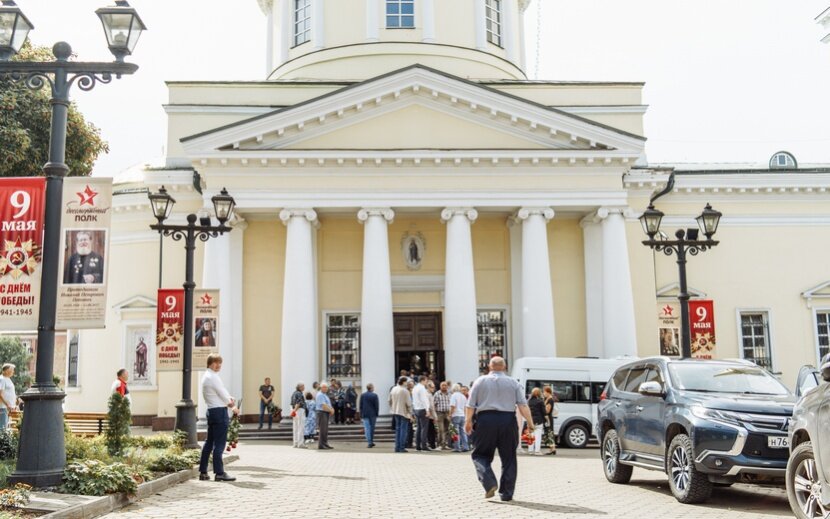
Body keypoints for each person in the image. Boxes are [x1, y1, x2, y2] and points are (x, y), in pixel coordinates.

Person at [465, 356, 535, 502]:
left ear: (489, 367)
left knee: (480, 455)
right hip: (507, 420)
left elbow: (470, 405)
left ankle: (489, 482)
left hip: (485, 420)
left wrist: (468, 421)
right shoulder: (513, 383)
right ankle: (507, 493)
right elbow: (522, 405)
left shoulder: (480, 381)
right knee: (509, 458)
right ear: (504, 367)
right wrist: (530, 422)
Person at [199, 354, 238, 482]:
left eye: (220, 363)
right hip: (219, 412)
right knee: (219, 444)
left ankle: (203, 472)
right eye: (215, 363)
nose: (218, 365)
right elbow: (222, 393)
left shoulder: (206, 376)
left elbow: (219, 393)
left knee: (209, 442)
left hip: (211, 411)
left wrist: (228, 398)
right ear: (209, 363)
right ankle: (219, 473)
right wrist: (233, 406)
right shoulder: (213, 377)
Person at [389, 377, 412, 453]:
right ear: (404, 382)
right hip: (403, 412)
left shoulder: (393, 389)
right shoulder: (405, 391)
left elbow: (389, 400)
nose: (407, 383)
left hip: (395, 411)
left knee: (398, 430)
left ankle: (397, 447)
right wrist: (410, 413)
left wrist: (392, 407)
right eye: (406, 382)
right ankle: (402, 447)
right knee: (403, 430)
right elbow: (409, 403)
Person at [411, 375, 432, 452]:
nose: (426, 382)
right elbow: (424, 400)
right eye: (426, 380)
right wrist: (427, 410)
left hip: (416, 409)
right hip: (422, 409)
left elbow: (413, 400)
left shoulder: (415, 388)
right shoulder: (422, 388)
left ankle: (418, 445)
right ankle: (424, 445)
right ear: (423, 380)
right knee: (424, 428)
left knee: (419, 428)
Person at [358, 383, 379, 448]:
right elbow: (376, 406)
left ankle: (370, 442)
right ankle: (370, 442)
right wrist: (377, 413)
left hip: (365, 413)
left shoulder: (363, 395)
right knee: (372, 428)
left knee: (367, 428)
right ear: (371, 388)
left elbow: (360, 405)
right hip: (373, 414)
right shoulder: (375, 395)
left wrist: (361, 413)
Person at [433, 381, 452, 450]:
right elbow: (434, 405)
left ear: (447, 386)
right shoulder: (437, 394)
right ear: (440, 386)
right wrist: (434, 415)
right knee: (441, 429)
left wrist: (450, 414)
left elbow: (451, 404)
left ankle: (445, 444)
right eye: (442, 385)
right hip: (439, 413)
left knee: (446, 429)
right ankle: (439, 444)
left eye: (445, 385)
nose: (444, 386)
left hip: (447, 413)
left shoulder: (450, 394)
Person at [449, 383, 469, 452]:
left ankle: (457, 447)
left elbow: (452, 406)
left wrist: (450, 414)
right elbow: (465, 407)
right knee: (462, 432)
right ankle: (465, 446)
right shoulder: (463, 396)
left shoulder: (453, 395)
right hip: (462, 415)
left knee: (455, 432)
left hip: (456, 415)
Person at [315, 382, 334, 449]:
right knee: (322, 430)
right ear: (321, 387)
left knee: (325, 430)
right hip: (322, 413)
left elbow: (327, 404)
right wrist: (331, 410)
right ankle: (321, 445)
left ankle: (325, 444)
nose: (326, 389)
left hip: (325, 413)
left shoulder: (324, 395)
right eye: (325, 387)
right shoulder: (320, 395)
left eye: (327, 387)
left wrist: (331, 409)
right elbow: (323, 406)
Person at [526, 388, 546, 456]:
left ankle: (530, 450)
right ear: (539, 393)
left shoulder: (529, 401)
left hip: (530, 420)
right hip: (539, 420)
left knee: (531, 436)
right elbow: (544, 412)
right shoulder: (540, 401)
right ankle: (537, 451)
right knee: (538, 436)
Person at [0, 364, 17, 429]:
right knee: (2, 427)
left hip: (7, 408)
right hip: (2, 407)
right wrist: (7, 404)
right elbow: (0, 394)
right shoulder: (2, 379)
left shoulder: (8, 379)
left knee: (6, 427)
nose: (13, 372)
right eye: (12, 370)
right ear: (7, 370)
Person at [543, 386, 558, 455]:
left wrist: (542, 410)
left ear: (548, 392)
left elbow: (547, 410)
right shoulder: (547, 399)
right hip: (547, 418)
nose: (543, 393)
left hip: (548, 418)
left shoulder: (550, 400)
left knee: (549, 433)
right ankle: (551, 449)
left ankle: (553, 449)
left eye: (544, 392)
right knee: (549, 433)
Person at [291, 382, 306, 448]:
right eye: (303, 386)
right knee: (300, 427)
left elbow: (291, 403)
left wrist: (293, 411)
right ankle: (300, 443)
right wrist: (295, 410)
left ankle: (295, 443)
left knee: (295, 427)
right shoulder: (299, 393)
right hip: (299, 410)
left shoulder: (294, 393)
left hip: (294, 410)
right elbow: (299, 403)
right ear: (300, 387)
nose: (304, 387)